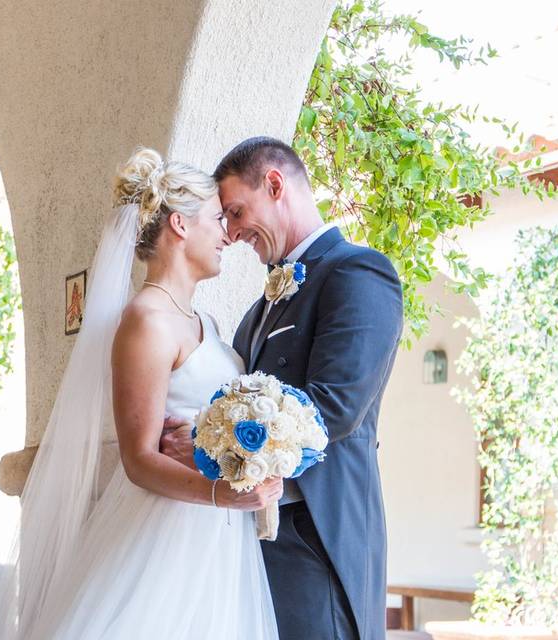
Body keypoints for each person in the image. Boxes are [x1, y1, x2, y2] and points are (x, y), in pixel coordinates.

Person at [0, 148, 282, 639]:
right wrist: (219, 494)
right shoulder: (146, 320)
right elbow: (139, 459)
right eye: (216, 219)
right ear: (180, 226)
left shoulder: (206, 322)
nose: (227, 233)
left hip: (215, 539)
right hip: (165, 530)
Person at [161, 137, 404, 640]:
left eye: (235, 210)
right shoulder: (256, 312)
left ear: (274, 184)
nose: (230, 230)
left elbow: (336, 407)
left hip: (317, 535)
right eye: (223, 218)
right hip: (253, 539)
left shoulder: (357, 272)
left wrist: (213, 445)